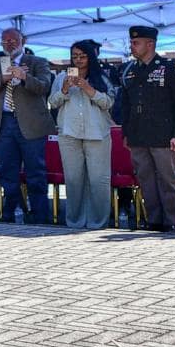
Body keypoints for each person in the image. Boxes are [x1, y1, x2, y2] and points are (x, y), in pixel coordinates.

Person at [114, 26, 175, 232]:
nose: (132, 46)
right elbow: (126, 105)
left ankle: (172, 221)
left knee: (167, 179)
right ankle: (154, 220)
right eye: (131, 42)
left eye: (136, 43)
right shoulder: (129, 70)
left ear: (150, 44)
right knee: (146, 179)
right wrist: (126, 133)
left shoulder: (170, 68)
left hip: (164, 134)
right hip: (138, 134)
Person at [0, 28, 57, 223]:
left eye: (13, 40)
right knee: (7, 172)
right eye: (5, 40)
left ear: (23, 40)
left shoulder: (37, 62)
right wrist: (2, 79)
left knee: (35, 171)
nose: (9, 43)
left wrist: (24, 78)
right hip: (2, 123)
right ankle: (12, 212)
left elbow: (44, 86)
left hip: (30, 124)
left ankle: (40, 216)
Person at [47, 40, 114, 229]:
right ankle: (75, 220)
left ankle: (98, 221)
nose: (78, 60)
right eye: (75, 56)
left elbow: (108, 103)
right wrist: (65, 90)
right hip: (69, 133)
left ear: (90, 57)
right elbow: (52, 102)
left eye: (82, 56)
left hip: (97, 133)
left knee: (98, 180)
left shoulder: (102, 77)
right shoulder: (61, 77)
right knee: (73, 179)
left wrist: (88, 89)